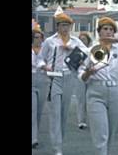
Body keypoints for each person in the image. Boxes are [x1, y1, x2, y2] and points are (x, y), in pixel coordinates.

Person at [77, 17, 118, 155]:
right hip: (96, 91)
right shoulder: (90, 50)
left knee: (112, 131)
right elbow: (81, 75)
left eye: (111, 30)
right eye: (105, 29)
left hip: (115, 91)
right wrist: (89, 72)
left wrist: (116, 40)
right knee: (101, 132)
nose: (108, 32)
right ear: (99, 32)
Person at [37, 13, 88, 155]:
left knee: (64, 114)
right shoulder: (50, 41)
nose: (65, 28)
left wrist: (73, 50)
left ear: (70, 27)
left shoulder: (75, 41)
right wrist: (45, 66)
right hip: (54, 77)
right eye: (62, 25)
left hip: (69, 76)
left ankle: (60, 141)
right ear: (58, 26)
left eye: (67, 25)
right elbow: (40, 58)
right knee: (55, 113)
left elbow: (87, 52)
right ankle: (57, 148)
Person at [32, 23, 50, 148]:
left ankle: (35, 134)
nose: (38, 39)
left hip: (43, 81)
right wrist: (43, 66)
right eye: (36, 37)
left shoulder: (46, 49)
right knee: (32, 110)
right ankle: (34, 138)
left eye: (40, 37)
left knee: (39, 111)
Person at [73, 32, 92, 129]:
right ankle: (81, 121)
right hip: (79, 77)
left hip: (91, 76)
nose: (82, 41)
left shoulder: (92, 50)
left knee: (91, 99)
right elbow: (71, 65)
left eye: (84, 39)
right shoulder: (76, 52)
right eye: (80, 39)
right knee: (81, 99)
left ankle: (92, 120)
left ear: (88, 41)